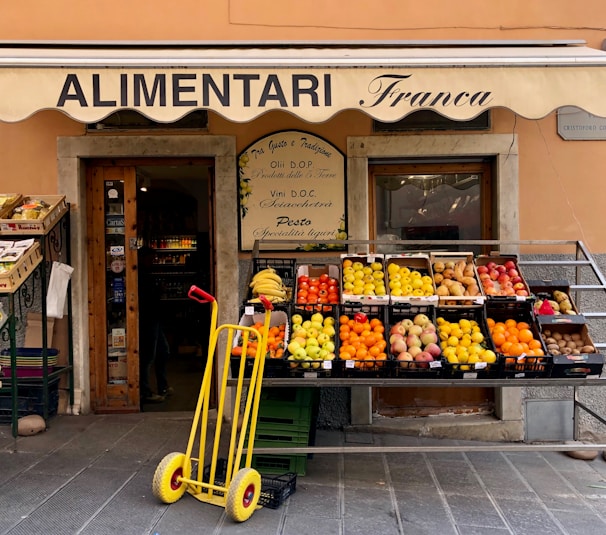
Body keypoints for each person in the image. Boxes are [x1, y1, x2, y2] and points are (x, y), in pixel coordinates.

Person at [138, 246, 172, 403]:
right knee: (147, 356)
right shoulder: (140, 274)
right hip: (147, 319)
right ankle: (144, 391)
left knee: (162, 352)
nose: (153, 261)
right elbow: (147, 296)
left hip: (153, 318)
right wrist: (159, 290)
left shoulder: (145, 273)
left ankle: (162, 385)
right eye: (151, 258)